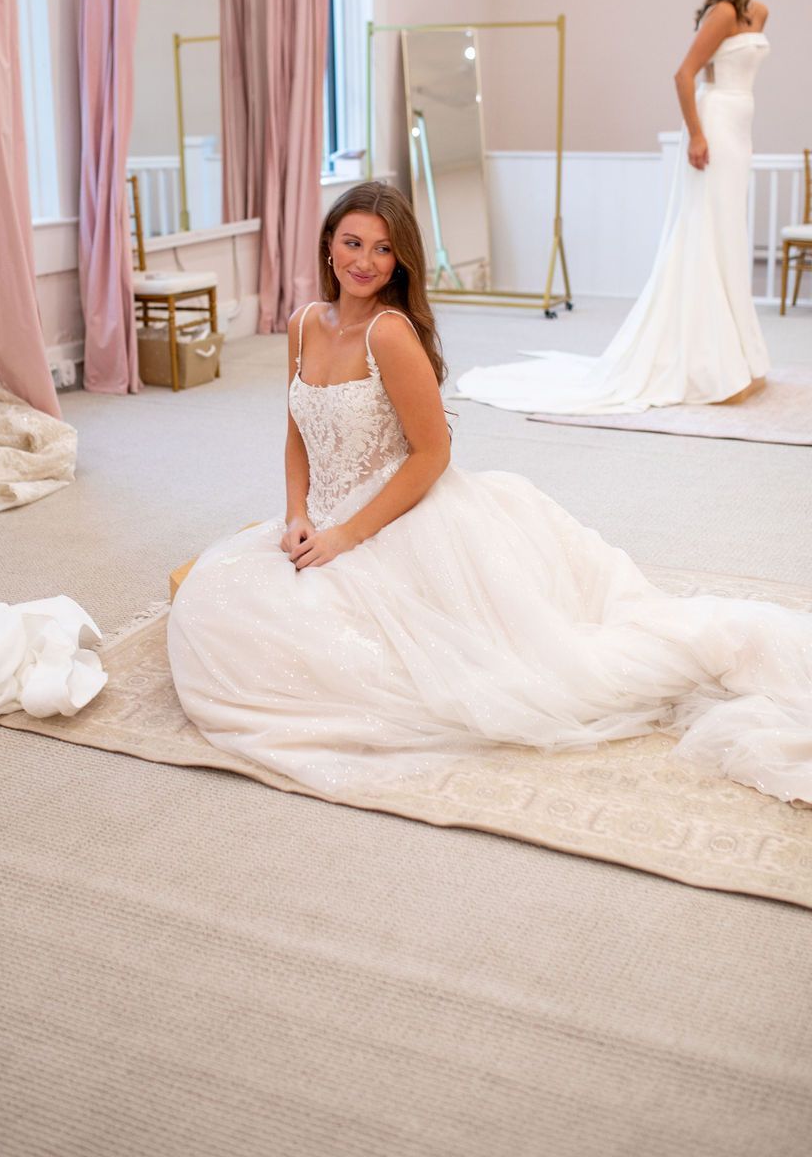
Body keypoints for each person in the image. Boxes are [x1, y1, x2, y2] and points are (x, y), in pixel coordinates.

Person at [167, 181, 811, 805]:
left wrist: (346, 536)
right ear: (328, 245)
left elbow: (433, 454)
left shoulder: (389, 333)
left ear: (401, 260)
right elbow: (297, 432)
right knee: (218, 606)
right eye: (353, 243)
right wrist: (297, 515)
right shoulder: (304, 322)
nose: (365, 261)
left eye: (383, 248)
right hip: (325, 515)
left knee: (438, 669)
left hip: (397, 516)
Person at [453, 0, 772, 413]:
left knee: (730, 235)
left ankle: (741, 356)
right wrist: (696, 135)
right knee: (708, 233)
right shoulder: (723, 13)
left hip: (740, 129)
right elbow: (684, 74)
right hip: (715, 126)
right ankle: (712, 362)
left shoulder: (759, 13)